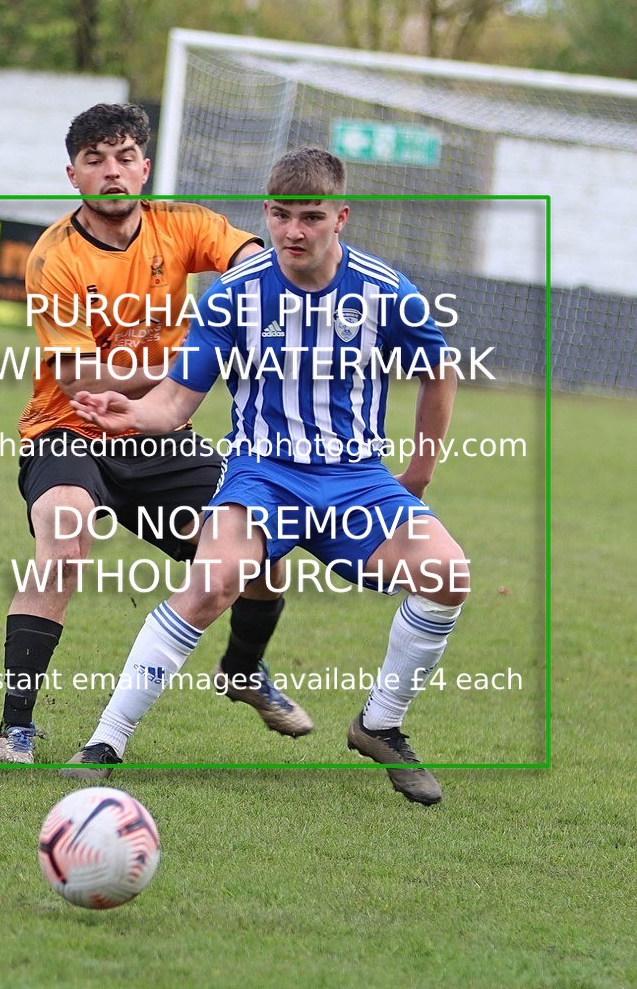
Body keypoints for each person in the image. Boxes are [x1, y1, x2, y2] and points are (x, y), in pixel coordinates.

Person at [62, 147, 471, 805]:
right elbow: (173, 402)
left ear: (341, 217)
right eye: (279, 216)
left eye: (310, 218)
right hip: (262, 477)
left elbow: (439, 368)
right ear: (266, 214)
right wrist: (130, 411)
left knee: (448, 575)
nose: (292, 232)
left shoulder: (383, 291)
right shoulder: (231, 296)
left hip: (355, 480)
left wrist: (417, 472)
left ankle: (379, 726)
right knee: (212, 582)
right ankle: (105, 740)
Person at [0, 103, 312, 766]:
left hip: (159, 434)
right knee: (64, 536)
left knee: (258, 546)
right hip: (68, 430)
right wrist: (195, 357)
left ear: (144, 167)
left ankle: (243, 668)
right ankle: (15, 727)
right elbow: (81, 380)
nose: (112, 172)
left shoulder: (182, 224)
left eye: (124, 157)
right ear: (73, 175)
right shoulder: (56, 258)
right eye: (95, 160)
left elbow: (252, 260)